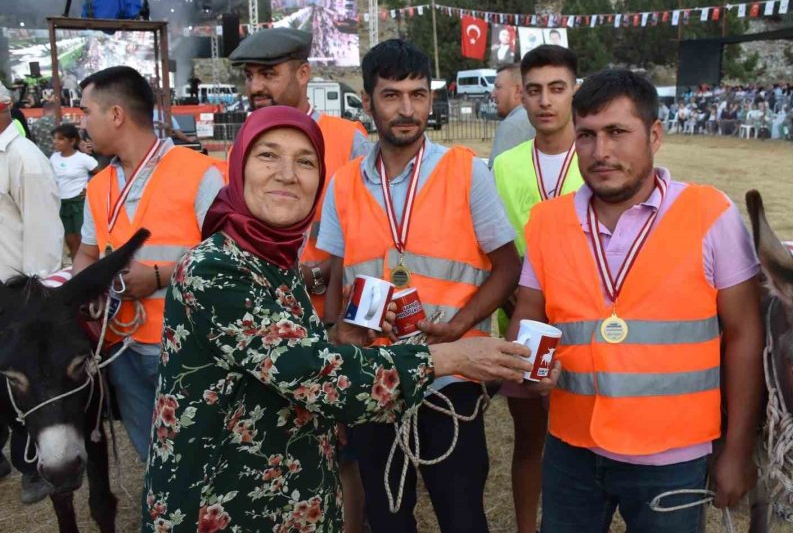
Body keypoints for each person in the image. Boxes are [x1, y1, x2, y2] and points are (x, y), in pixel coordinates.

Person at [142, 105, 534, 532]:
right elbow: (317, 377)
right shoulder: (215, 268)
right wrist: (452, 358)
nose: (288, 174)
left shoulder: (275, 265)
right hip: (225, 509)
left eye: (305, 161)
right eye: (268, 155)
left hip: (285, 503)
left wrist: (339, 335)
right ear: (237, 168)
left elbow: (284, 357)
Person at [515, 70, 764, 532]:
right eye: (586, 135)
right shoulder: (547, 221)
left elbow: (746, 335)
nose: (600, 151)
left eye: (616, 133)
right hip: (572, 448)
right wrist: (526, 368)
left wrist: (737, 449)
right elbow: (529, 310)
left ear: (654, 135)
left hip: (674, 456)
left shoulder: (711, 215)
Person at [317, 39, 522, 533]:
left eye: (417, 95)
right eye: (391, 96)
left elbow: (508, 266)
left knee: (463, 514)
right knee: (387, 516)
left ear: (430, 99)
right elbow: (335, 281)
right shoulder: (343, 184)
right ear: (367, 102)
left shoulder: (467, 172)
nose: (407, 110)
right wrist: (336, 343)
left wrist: (461, 324)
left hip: (452, 378)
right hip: (376, 374)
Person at [73, 66, 225, 462]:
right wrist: (81, 293)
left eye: (87, 112)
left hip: (186, 347)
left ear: (116, 115)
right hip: (120, 349)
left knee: (199, 454)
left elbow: (229, 260)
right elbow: (87, 253)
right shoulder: (98, 185)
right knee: (151, 456)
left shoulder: (199, 174)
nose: (82, 123)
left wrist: (158, 276)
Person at [492, 45, 583, 533]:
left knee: (580, 445)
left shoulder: (594, 158)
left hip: (584, 329)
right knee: (530, 441)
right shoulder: (504, 166)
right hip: (521, 322)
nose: (545, 102)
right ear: (521, 96)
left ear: (575, 92)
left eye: (557, 89)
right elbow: (496, 245)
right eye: (534, 90)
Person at [229, 27, 370, 320]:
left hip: (328, 319)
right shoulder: (242, 146)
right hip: (260, 320)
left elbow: (373, 236)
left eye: (268, 75)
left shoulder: (349, 141)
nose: (255, 87)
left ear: (303, 74)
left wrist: (316, 276)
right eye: (249, 76)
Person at [0, 84, 62, 504]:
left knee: (19, 386)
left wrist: (35, 305)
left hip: (14, 295)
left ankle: (31, 465)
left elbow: (43, 236)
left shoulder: (24, 159)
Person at [50, 124, 101, 258]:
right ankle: (75, 270)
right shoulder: (53, 158)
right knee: (70, 240)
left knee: (83, 239)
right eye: (54, 138)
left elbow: (102, 174)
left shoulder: (83, 158)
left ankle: (88, 268)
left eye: (60, 139)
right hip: (62, 203)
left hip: (79, 203)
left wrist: (88, 188)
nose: (55, 142)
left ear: (72, 141)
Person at [487, 63, 536, 168]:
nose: (493, 94)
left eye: (498, 87)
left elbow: (496, 175)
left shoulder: (512, 125)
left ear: (518, 91)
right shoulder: (534, 117)